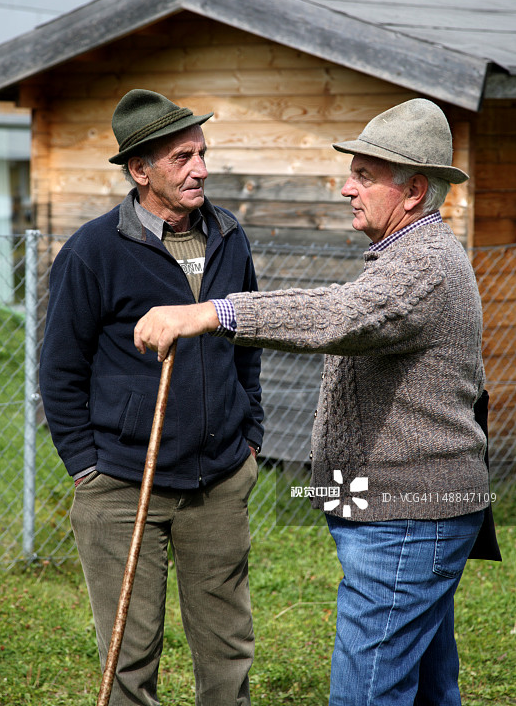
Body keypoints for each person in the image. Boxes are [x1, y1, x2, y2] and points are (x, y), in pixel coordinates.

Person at [133, 98, 490, 706]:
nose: (347, 188)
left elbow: (337, 315)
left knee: (366, 692)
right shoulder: (408, 255)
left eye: (365, 176)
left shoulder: (425, 265)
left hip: (406, 518)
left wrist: (211, 312)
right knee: (428, 690)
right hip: (407, 510)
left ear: (413, 192)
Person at [39, 89, 263, 706]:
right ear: (140, 170)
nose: (200, 169)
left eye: (202, 153)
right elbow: (60, 370)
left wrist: (250, 434)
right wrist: (87, 467)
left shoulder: (229, 235)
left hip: (219, 479)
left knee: (227, 647)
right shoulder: (93, 251)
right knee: (130, 656)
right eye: (181, 158)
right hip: (122, 483)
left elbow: (246, 341)